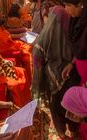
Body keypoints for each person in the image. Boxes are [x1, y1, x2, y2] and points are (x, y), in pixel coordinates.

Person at [31, 5, 80, 139]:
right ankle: (73, 132)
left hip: (52, 78)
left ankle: (62, 135)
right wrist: (71, 63)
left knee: (56, 108)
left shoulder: (43, 40)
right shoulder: (73, 33)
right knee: (70, 107)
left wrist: (39, 83)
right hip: (71, 75)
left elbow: (37, 57)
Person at [0, 8, 32, 82]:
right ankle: (31, 77)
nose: (3, 16)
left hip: (10, 45)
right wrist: (20, 35)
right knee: (27, 53)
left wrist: (21, 34)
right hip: (5, 49)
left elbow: (7, 35)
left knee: (28, 48)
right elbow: (5, 40)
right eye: (1, 14)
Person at [61, 0, 87, 87]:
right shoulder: (75, 20)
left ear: (80, 5)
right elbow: (79, 49)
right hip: (81, 75)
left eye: (68, 5)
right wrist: (72, 63)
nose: (66, 9)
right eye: (65, 5)